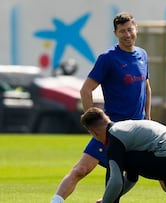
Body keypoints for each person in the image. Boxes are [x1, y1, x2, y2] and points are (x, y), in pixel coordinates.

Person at [50, 12, 152, 203]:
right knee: (81, 170)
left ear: (136, 29)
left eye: (130, 29)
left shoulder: (142, 55)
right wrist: (93, 124)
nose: (127, 34)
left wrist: (148, 118)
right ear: (116, 33)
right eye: (122, 31)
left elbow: (146, 87)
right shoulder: (108, 58)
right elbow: (85, 90)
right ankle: (55, 201)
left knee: (140, 173)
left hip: (137, 131)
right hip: (111, 131)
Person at [81, 107, 166, 203]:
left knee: (115, 163)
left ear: (94, 133)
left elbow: (116, 181)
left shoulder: (114, 138)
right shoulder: (127, 127)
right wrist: (107, 197)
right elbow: (131, 178)